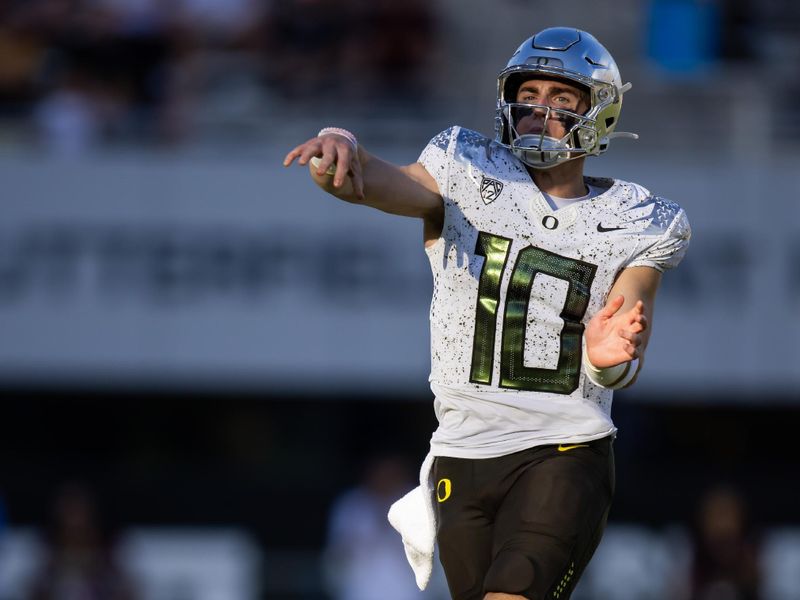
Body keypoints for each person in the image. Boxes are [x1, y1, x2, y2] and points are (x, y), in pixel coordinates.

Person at [284, 26, 690, 600]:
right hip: (462, 453)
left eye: (561, 99)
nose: (538, 110)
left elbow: (625, 350)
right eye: (529, 94)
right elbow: (377, 183)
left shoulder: (640, 219)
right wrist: (342, 147)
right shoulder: (466, 169)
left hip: (564, 446)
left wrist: (606, 362)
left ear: (597, 112)